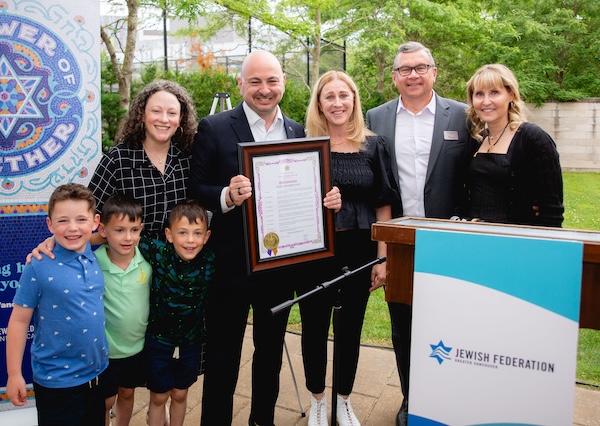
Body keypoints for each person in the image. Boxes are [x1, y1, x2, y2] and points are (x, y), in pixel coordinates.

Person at [188, 50, 341, 426]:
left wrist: (328, 200)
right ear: (241, 84)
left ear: (283, 83)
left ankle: (262, 420)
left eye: (272, 80)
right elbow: (195, 187)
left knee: (270, 353)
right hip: (231, 267)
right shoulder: (215, 127)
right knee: (223, 356)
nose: (264, 89)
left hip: (278, 267)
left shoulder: (298, 131)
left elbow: (305, 190)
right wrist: (226, 194)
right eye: (255, 81)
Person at [365, 41, 475, 426]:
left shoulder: (463, 116)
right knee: (403, 326)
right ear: (394, 77)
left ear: (434, 72)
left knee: (450, 324)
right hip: (400, 244)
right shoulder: (375, 119)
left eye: (420, 67)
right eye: (404, 69)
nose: (413, 75)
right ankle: (412, 399)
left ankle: (448, 398)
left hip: (451, 239)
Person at [300, 70, 399, 426]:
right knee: (313, 327)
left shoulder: (375, 145)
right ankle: (318, 401)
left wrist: (383, 257)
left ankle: (343, 400)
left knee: (350, 328)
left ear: (354, 99)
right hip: (313, 252)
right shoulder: (305, 144)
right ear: (319, 104)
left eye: (344, 95)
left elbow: (384, 204)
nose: (338, 102)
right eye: (329, 96)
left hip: (359, 251)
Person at [6, 183, 108, 426]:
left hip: (97, 376)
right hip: (57, 384)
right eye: (63, 221)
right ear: (50, 225)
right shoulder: (38, 265)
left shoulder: (94, 254)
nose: (72, 228)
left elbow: (121, 232)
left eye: (80, 219)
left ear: (95, 222)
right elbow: (19, 322)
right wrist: (14, 375)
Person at [137, 199, 215, 426]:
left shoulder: (210, 261)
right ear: (169, 235)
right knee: (159, 396)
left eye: (197, 233)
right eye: (183, 233)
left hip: (190, 342)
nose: (190, 240)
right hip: (158, 342)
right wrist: (56, 243)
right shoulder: (158, 252)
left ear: (206, 237)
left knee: (180, 394)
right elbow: (120, 237)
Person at [89, 79, 198, 240]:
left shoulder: (190, 155)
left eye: (172, 113)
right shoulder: (118, 159)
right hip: (131, 260)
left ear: (181, 118)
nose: (164, 119)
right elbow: (87, 213)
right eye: (156, 111)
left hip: (182, 259)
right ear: (141, 114)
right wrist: (59, 242)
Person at [465, 63, 564, 226]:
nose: (486, 101)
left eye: (494, 92)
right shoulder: (476, 140)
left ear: (511, 94)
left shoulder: (533, 139)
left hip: (518, 240)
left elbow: (552, 211)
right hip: (478, 239)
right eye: (479, 94)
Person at [95, 194, 152, 426]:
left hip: (136, 349)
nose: (128, 237)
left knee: (127, 393)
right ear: (103, 230)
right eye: (119, 230)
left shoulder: (147, 262)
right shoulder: (94, 263)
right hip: (106, 351)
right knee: (106, 400)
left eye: (134, 230)